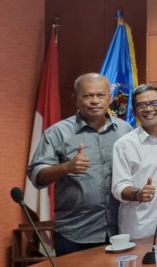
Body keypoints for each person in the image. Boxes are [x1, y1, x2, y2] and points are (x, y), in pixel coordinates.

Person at [26, 73, 132, 256]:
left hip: (119, 229)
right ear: (75, 99)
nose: (95, 101)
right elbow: (36, 175)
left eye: (101, 95)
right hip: (75, 232)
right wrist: (66, 167)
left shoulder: (125, 130)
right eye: (88, 95)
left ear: (110, 98)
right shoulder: (58, 133)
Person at [111, 84, 157, 240]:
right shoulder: (124, 145)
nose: (148, 109)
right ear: (134, 112)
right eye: (141, 105)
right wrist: (138, 193)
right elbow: (119, 187)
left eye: (154, 103)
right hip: (140, 229)